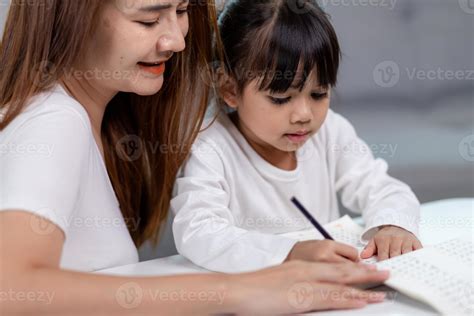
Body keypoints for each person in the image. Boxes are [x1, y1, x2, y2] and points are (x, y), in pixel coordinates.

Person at [0, 0, 389, 314]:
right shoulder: (54, 121)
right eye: (150, 19)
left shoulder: (88, 119)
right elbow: (11, 288)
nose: (177, 41)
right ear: (74, 16)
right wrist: (245, 290)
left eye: (182, 11)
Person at [171, 0, 423, 273]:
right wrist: (289, 253)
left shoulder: (330, 132)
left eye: (319, 94)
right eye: (281, 98)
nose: (304, 114)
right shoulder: (211, 148)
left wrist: (393, 225)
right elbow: (198, 232)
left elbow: (384, 188)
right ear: (230, 88)